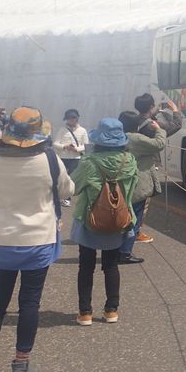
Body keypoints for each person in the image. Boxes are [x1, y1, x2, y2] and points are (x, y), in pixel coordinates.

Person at [0, 106, 74, 372]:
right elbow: (66, 190)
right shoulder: (49, 158)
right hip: (37, 240)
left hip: (1, 238)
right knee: (29, 302)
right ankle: (20, 367)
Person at [70, 118, 138, 326]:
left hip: (90, 220)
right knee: (110, 266)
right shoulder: (129, 161)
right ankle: (111, 310)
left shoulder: (89, 162)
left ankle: (85, 313)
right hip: (118, 219)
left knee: (86, 266)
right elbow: (132, 190)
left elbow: (74, 186)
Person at [117, 111, 166, 264]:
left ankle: (115, 249)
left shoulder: (116, 137)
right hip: (136, 186)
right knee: (134, 219)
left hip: (120, 184)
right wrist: (159, 129)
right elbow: (159, 144)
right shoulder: (135, 139)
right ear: (136, 124)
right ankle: (124, 253)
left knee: (120, 217)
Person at [132, 94, 181, 245]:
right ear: (151, 106)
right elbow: (174, 127)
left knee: (131, 197)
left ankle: (130, 229)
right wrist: (176, 111)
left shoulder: (132, 121)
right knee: (143, 199)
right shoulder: (152, 126)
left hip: (131, 162)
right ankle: (136, 231)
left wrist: (155, 111)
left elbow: (145, 118)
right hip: (147, 164)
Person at [52, 109, 89, 207]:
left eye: (73, 118)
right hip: (63, 157)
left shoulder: (83, 131)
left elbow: (86, 145)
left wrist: (77, 149)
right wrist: (65, 146)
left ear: (77, 118)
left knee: (71, 178)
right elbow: (55, 143)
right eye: (69, 118)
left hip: (75, 158)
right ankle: (58, 196)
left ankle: (67, 198)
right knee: (60, 177)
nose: (71, 120)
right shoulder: (62, 130)